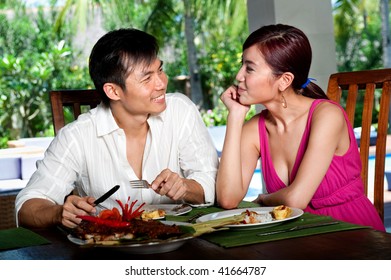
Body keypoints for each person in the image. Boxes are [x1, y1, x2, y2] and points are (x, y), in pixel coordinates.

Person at [15, 28, 219, 229]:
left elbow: (212, 181)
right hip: (108, 249)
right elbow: (27, 205)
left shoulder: (180, 111)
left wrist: (185, 187)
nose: (162, 83)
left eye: (160, 70)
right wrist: (58, 213)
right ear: (113, 90)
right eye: (147, 78)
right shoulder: (77, 136)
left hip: (178, 242)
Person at [216, 24, 385, 231]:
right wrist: (235, 115)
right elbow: (227, 198)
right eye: (242, 65)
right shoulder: (256, 128)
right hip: (297, 236)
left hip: (350, 232)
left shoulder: (326, 116)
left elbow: (296, 199)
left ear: (284, 80)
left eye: (249, 68)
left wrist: (264, 199)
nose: (238, 76)